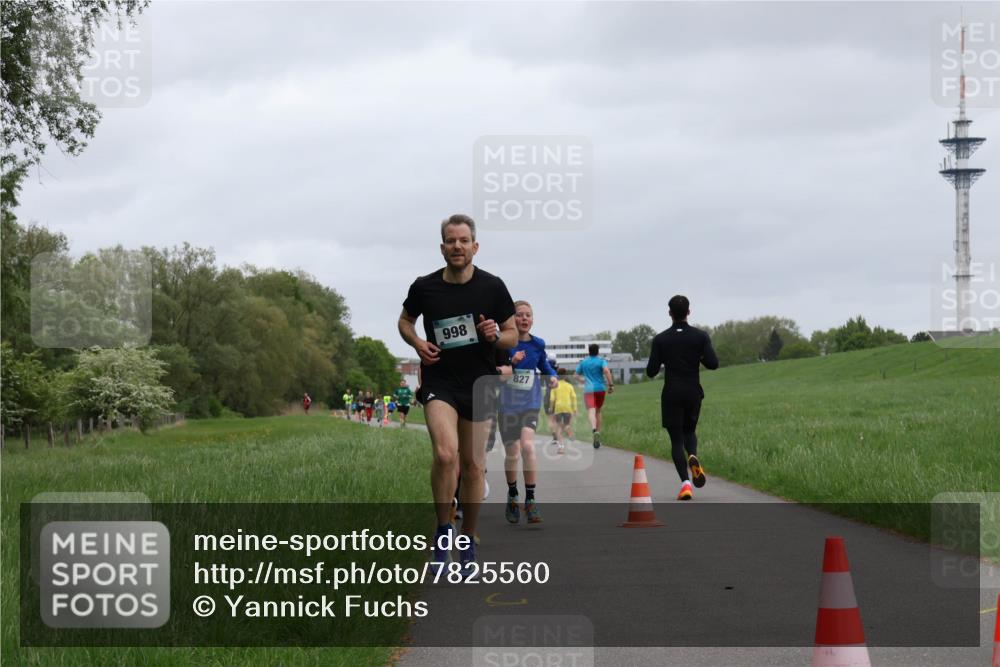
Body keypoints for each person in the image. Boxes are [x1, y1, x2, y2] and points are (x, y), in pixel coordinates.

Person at [398, 214, 517, 576]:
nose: (457, 247)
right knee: (445, 454)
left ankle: (467, 537)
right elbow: (404, 321)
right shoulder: (425, 287)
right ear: (442, 247)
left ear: (475, 246)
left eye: (464, 241)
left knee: (473, 466)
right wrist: (418, 342)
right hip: (441, 382)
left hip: (480, 382)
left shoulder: (493, 287)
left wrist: (494, 335)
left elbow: (512, 335)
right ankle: (442, 529)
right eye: (451, 241)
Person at [645, 295, 719, 501]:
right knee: (690, 431)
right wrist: (699, 356)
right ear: (689, 312)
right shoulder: (700, 336)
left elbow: (651, 371)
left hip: (671, 393)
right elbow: (713, 364)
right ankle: (693, 455)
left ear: (669, 313)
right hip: (693, 391)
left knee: (676, 439)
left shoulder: (660, 339)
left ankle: (685, 484)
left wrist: (662, 358)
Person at [498, 301, 556, 524]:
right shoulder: (503, 344)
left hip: (530, 402)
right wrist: (512, 362)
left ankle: (530, 499)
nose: (524, 318)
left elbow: (544, 365)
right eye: (520, 315)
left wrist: (551, 375)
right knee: (512, 453)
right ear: (512, 319)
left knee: (528, 446)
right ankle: (513, 494)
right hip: (506, 404)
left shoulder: (538, 344)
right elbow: (495, 370)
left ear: (532, 319)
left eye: (528, 315)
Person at [574, 344, 614, 448]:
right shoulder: (601, 361)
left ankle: (593, 428)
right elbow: (606, 371)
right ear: (598, 351)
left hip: (588, 390)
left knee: (591, 411)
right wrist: (611, 385)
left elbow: (575, 375)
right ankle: (598, 433)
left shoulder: (584, 362)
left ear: (589, 351)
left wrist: (582, 380)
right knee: (598, 411)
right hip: (600, 389)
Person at [548, 368, 578, 454]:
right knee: (566, 424)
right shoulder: (569, 386)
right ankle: (569, 432)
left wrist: (550, 408)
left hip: (558, 408)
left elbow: (552, 399)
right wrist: (575, 409)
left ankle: (561, 448)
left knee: (559, 427)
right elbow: (574, 397)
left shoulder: (555, 386)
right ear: (565, 376)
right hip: (568, 408)